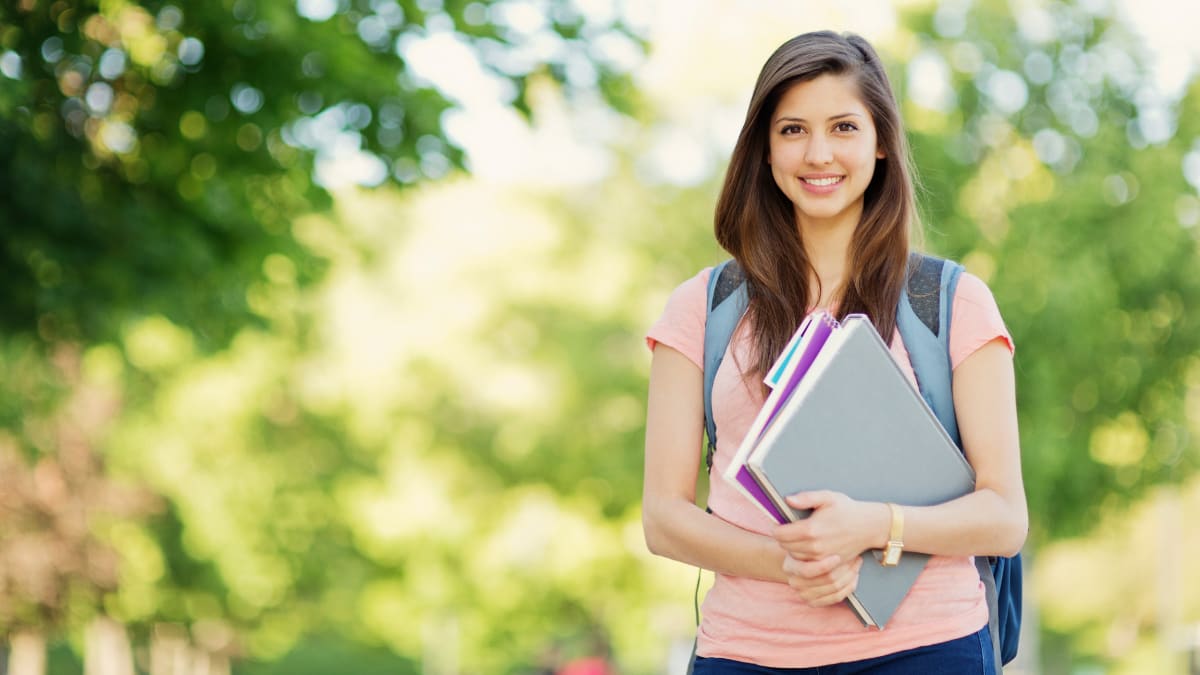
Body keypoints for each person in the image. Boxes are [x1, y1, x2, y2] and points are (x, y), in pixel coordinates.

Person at [641, 31, 1027, 673]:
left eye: (843, 126)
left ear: (881, 144)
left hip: (929, 649)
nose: (818, 153)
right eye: (792, 130)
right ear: (764, 151)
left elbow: (1004, 516)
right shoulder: (699, 310)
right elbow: (664, 518)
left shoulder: (954, 302)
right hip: (746, 653)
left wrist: (876, 527)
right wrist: (793, 560)